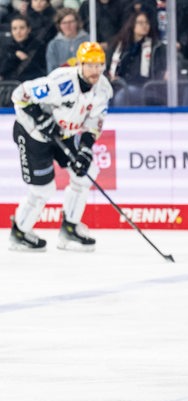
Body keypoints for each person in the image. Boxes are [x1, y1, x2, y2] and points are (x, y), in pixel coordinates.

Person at [9, 41, 113, 252]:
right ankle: (20, 232)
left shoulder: (103, 89)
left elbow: (94, 124)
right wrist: (41, 118)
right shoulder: (61, 82)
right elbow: (19, 95)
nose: (96, 70)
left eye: (99, 64)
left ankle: (70, 229)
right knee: (43, 189)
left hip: (64, 133)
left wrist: (85, 149)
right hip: (33, 134)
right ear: (80, 64)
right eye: (91, 65)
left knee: (86, 172)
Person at [107, 11, 167, 106]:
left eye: (147, 22)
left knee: (122, 95)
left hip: (146, 89)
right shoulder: (118, 46)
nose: (145, 25)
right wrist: (112, 78)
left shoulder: (156, 47)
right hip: (118, 87)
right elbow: (106, 68)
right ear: (131, 25)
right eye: (140, 23)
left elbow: (160, 70)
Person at [0, 15, 48, 82]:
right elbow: (2, 71)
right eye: (14, 28)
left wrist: (27, 59)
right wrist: (13, 55)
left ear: (29, 29)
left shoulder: (39, 46)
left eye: (22, 28)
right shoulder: (7, 48)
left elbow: (41, 70)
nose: (18, 32)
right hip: (9, 86)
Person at [45, 8, 89, 72]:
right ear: (59, 25)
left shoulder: (88, 40)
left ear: (77, 22)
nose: (68, 26)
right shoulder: (53, 45)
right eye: (64, 23)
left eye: (71, 22)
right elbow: (52, 70)